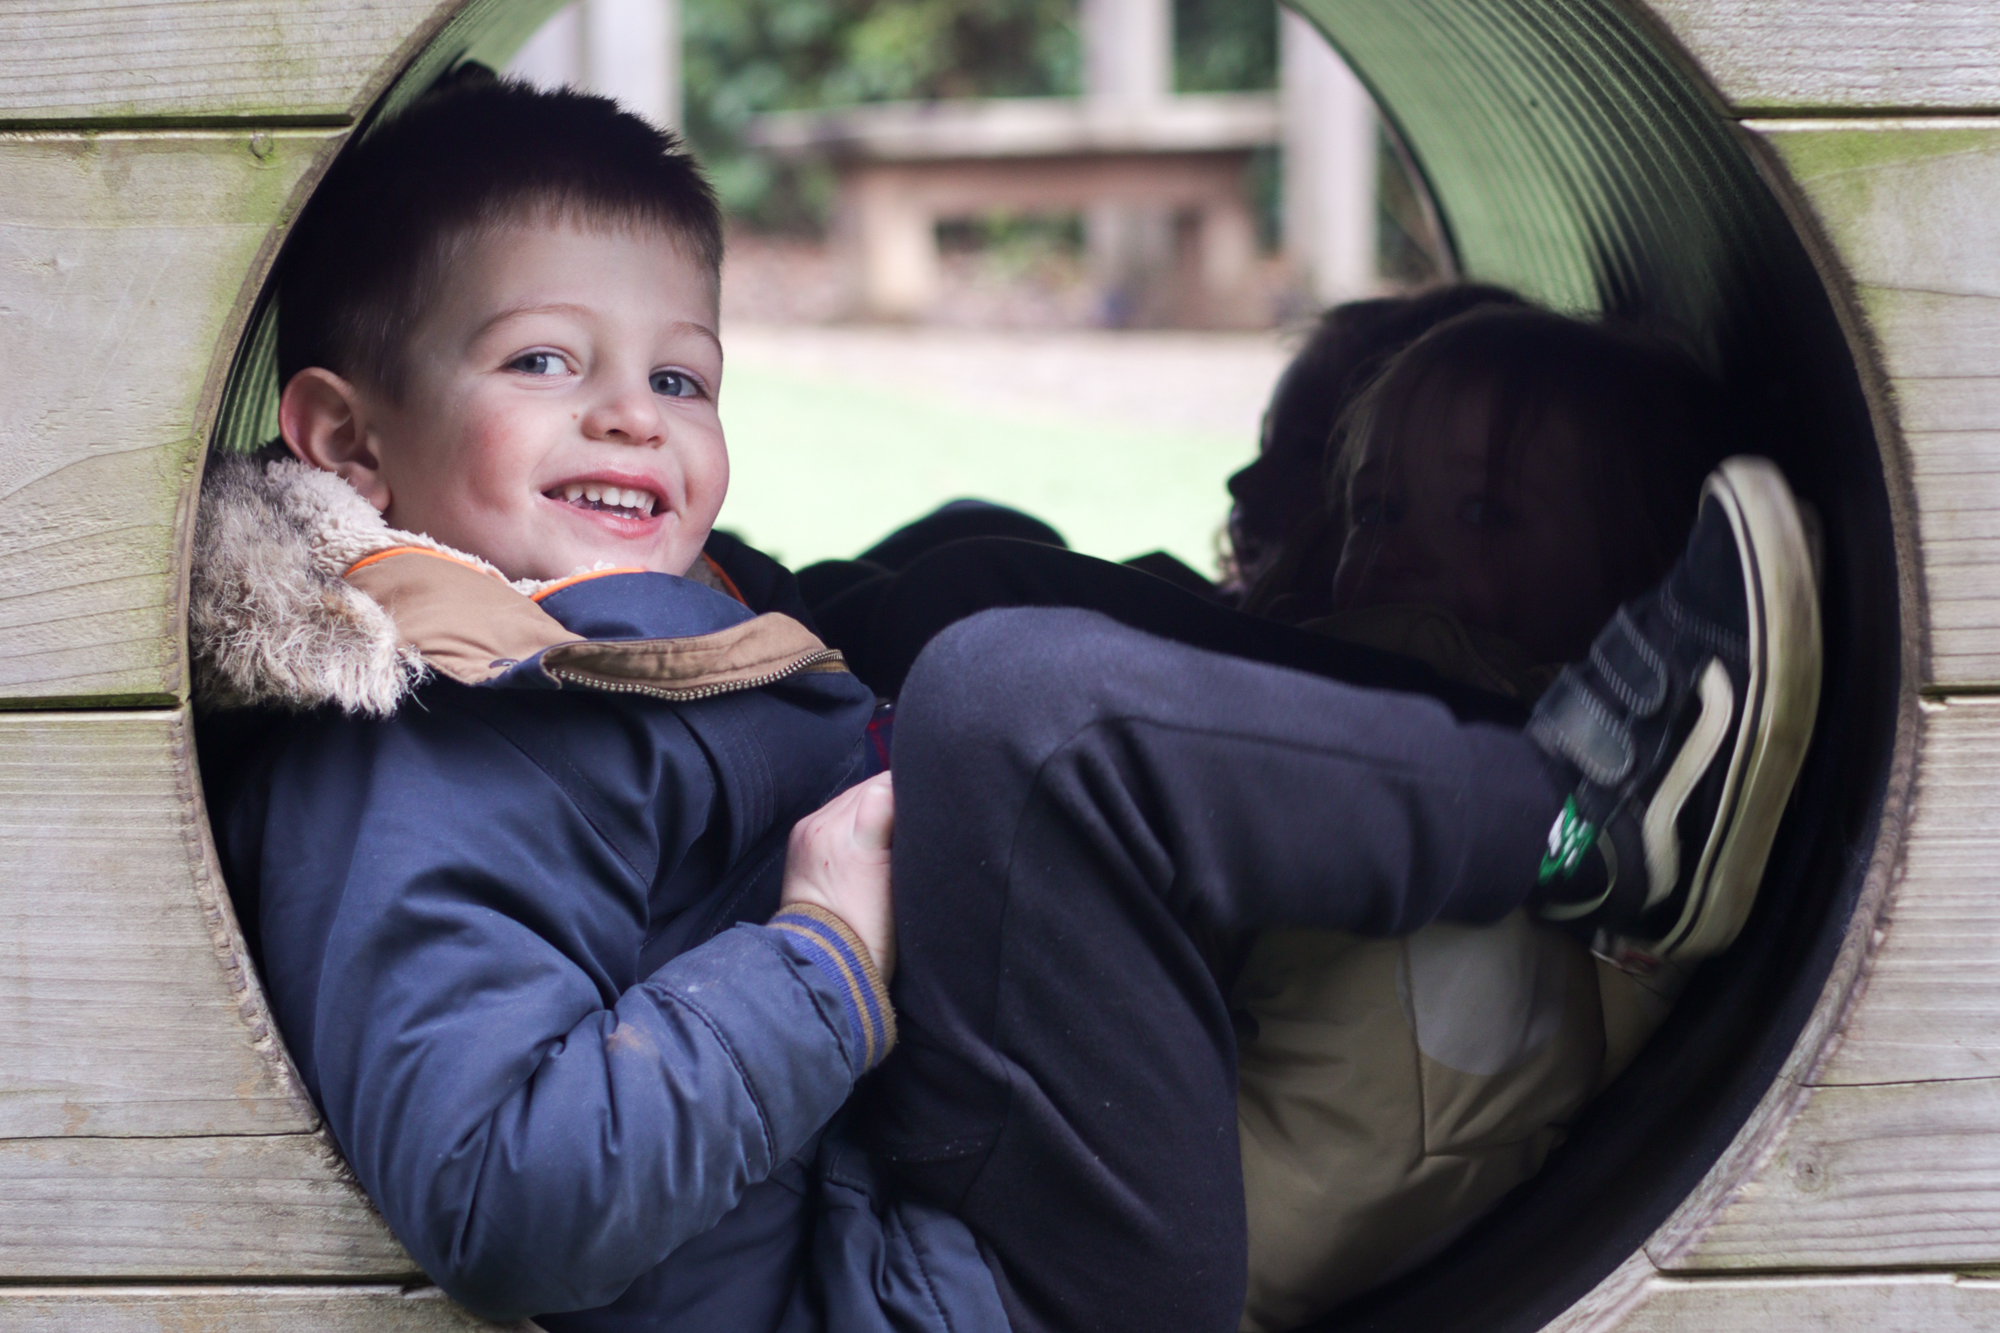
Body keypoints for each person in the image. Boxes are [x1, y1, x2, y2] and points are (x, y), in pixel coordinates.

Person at [192, 76, 1821, 1333]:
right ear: (345, 443)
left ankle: (1492, 741)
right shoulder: (401, 749)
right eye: (544, 362)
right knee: (1016, 704)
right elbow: (496, 1189)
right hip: (943, 1289)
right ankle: (1581, 825)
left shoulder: (532, 634)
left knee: (975, 602)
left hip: (917, 1194)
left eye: (679, 378)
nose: (629, 415)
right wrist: (819, 961)